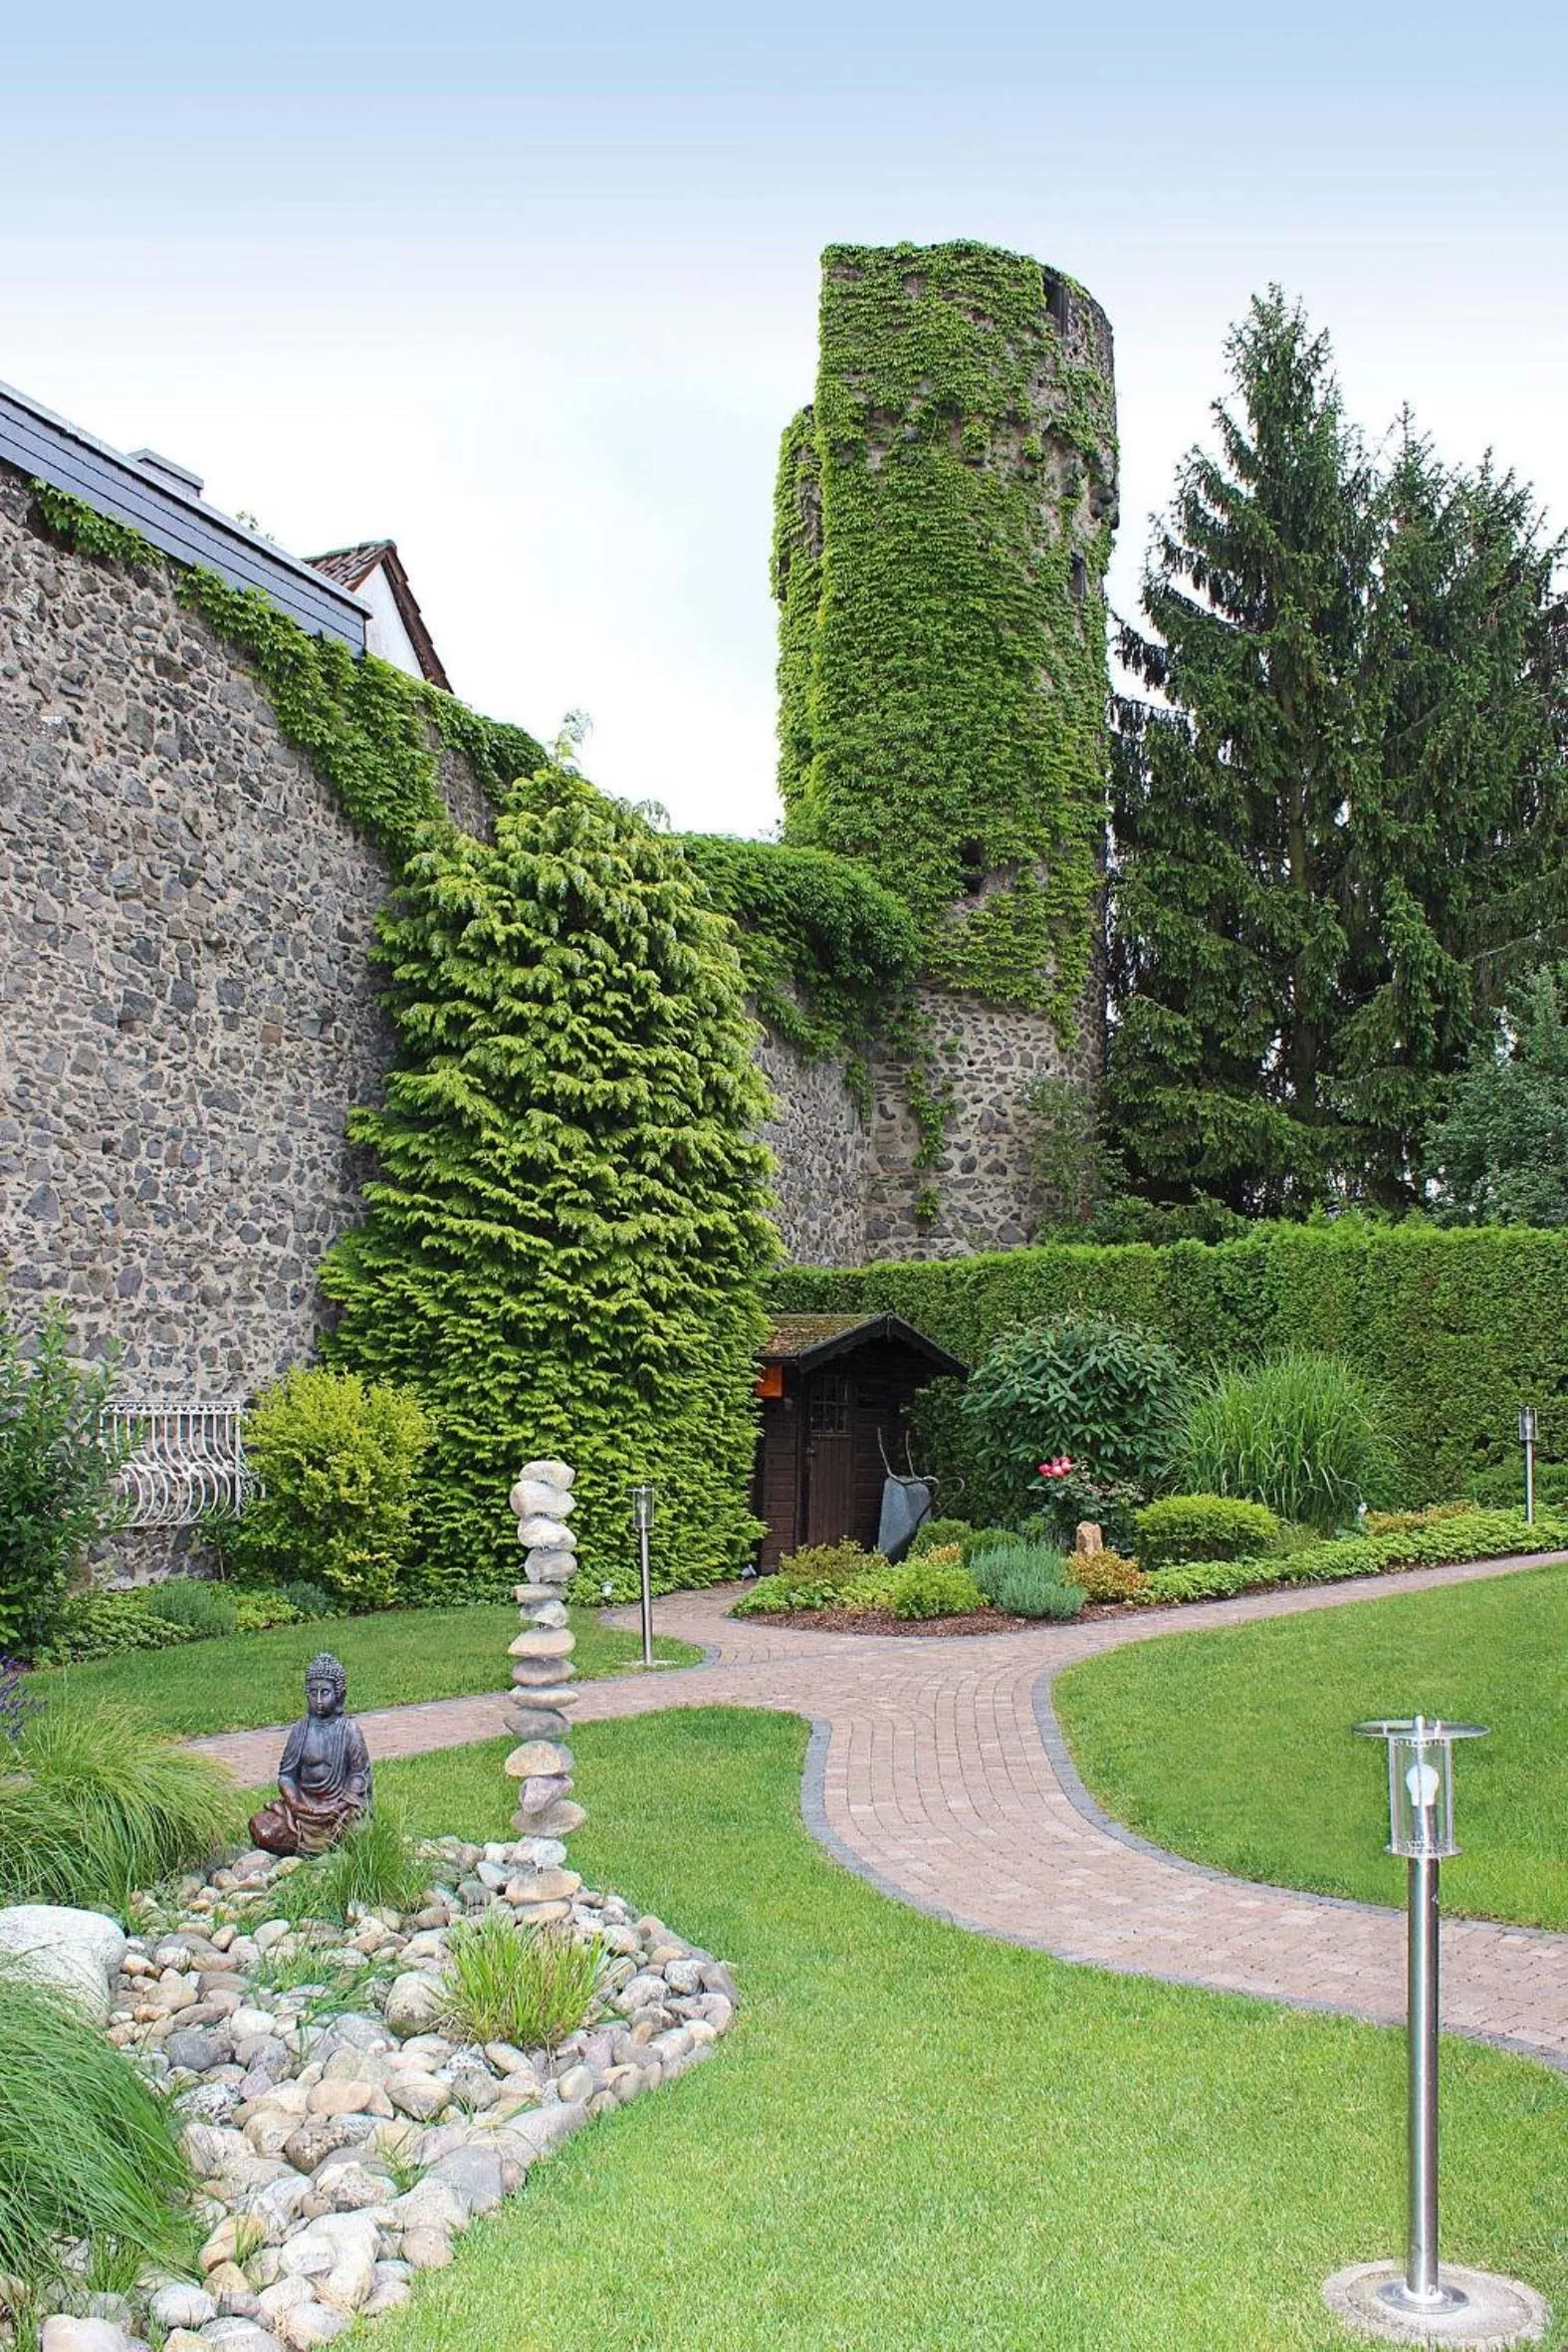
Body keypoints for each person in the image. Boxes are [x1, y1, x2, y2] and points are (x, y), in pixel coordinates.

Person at [248, 1652, 373, 1856]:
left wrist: (340, 1805)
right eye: (313, 1692)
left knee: (360, 1833)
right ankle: (306, 1844)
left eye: (325, 1692)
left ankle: (327, 1846)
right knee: (263, 1829)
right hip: (303, 1811)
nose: (318, 1700)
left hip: (339, 1811)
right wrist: (295, 1803)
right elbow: (286, 1775)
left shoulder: (349, 1730)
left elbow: (359, 1774)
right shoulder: (301, 1730)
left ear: (339, 1694)